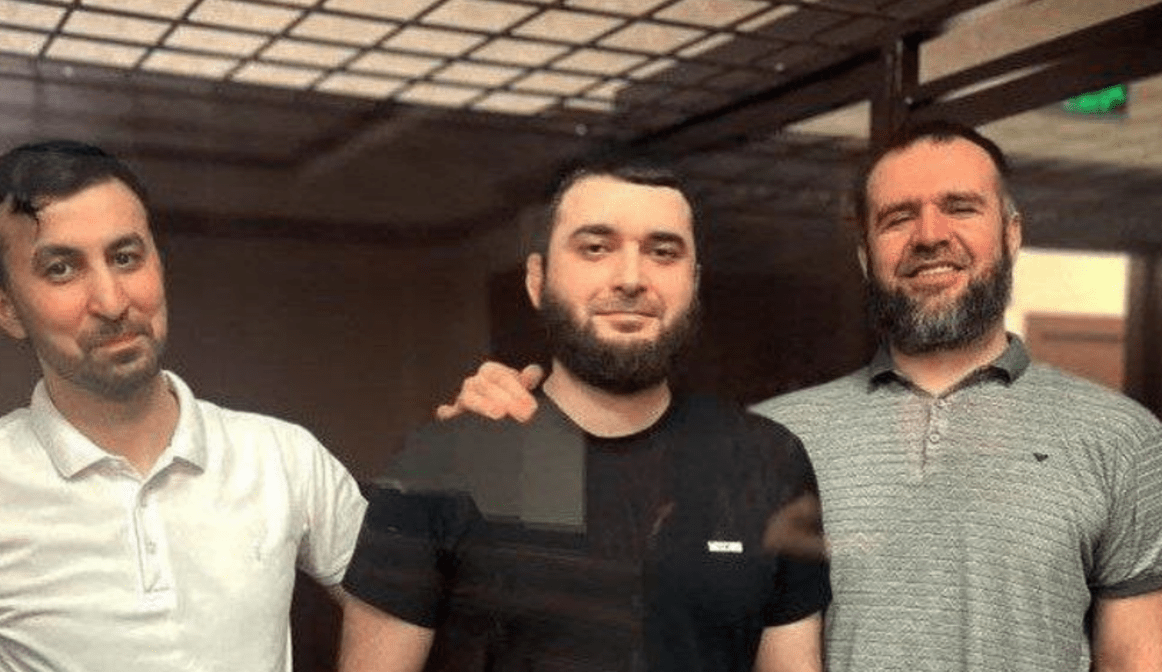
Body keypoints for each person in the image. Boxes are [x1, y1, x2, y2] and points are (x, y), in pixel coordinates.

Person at [436, 120, 1162, 671]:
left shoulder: (1122, 440)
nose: (929, 236)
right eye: (897, 217)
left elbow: (1136, 660)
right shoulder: (769, 441)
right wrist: (496, 433)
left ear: (1011, 234)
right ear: (865, 254)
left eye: (960, 208)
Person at [337, 159, 831, 672]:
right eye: (595, 248)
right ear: (537, 280)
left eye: (663, 252)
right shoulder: (437, 466)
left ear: (694, 282)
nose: (631, 279)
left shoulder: (769, 461)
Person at [0, 140, 367, 671]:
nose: (112, 302)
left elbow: (400, 599)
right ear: (7, 309)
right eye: (61, 269)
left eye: (126, 257)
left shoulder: (281, 457)